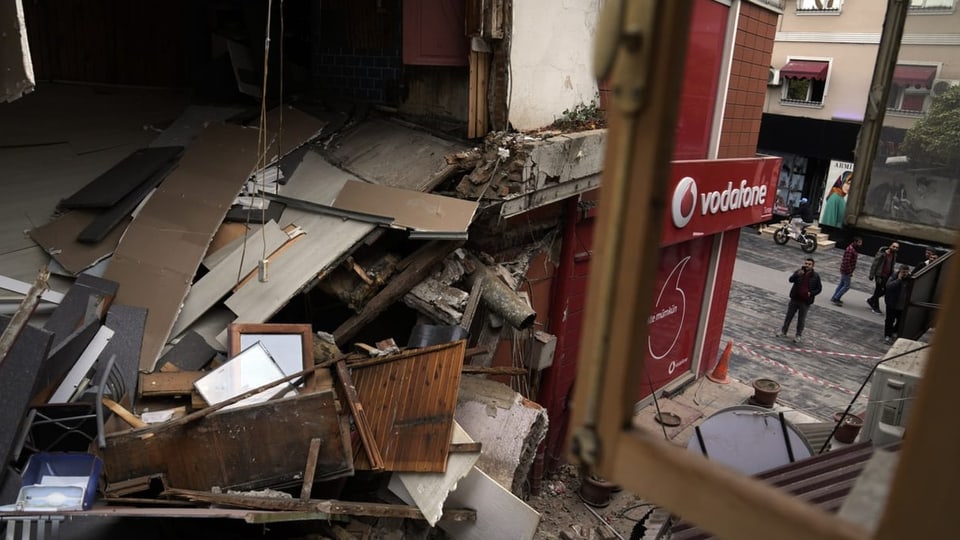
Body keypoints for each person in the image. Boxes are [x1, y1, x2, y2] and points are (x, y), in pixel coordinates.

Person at [778, 258, 822, 344]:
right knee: (789, 316)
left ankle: (798, 335)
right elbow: (790, 280)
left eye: (809, 264)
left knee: (801, 319)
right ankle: (784, 331)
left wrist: (811, 293)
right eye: (806, 263)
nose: (807, 265)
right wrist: (797, 275)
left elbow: (819, 289)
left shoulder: (815, 276)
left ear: (813, 266)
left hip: (805, 301)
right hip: (795, 299)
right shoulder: (799, 272)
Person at [867, 242, 899, 314]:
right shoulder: (882, 253)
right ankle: (875, 307)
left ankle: (872, 300)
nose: (895, 248)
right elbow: (875, 264)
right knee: (878, 289)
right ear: (890, 246)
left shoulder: (894, 255)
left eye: (897, 248)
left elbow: (891, 265)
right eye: (894, 247)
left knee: (885, 290)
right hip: (879, 275)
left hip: (887, 276)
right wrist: (871, 274)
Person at [883, 265, 911, 344]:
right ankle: (887, 335)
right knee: (889, 320)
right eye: (903, 272)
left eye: (906, 272)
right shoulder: (894, 276)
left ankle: (894, 331)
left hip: (902, 305)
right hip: (892, 304)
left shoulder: (909, 279)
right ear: (900, 271)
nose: (905, 274)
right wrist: (898, 280)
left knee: (900, 320)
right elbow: (888, 286)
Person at [830, 237, 862, 306]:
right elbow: (847, 261)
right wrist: (850, 271)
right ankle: (836, 298)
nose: (860, 244)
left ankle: (834, 297)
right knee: (847, 286)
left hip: (846, 270)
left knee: (841, 284)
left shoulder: (853, 249)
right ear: (855, 242)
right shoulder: (850, 250)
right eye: (859, 242)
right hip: (846, 270)